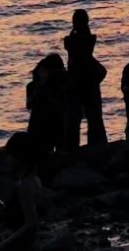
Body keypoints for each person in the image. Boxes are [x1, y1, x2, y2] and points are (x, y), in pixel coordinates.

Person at [0, 131, 49, 251]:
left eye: (10, 156)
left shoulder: (25, 186)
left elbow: (32, 224)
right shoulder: (34, 179)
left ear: (20, 159)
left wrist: (4, 245)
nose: (7, 160)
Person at [62, 9, 107, 149]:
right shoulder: (90, 38)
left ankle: (72, 147)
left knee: (73, 119)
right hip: (89, 79)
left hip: (76, 81)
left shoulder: (70, 40)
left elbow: (70, 46)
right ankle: (97, 145)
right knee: (94, 117)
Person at [25, 54, 67, 160]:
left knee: (60, 152)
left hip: (57, 123)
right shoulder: (33, 86)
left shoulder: (61, 84)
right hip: (38, 125)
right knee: (40, 154)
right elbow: (29, 104)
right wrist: (43, 84)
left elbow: (61, 103)